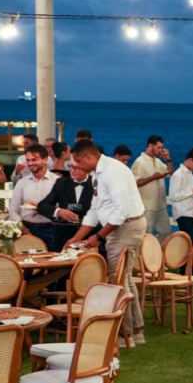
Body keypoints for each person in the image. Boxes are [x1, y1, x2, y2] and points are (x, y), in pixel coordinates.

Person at [64, 140, 147, 347]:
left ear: (89, 158)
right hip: (121, 228)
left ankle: (124, 334)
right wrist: (77, 237)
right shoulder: (98, 174)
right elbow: (95, 210)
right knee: (124, 279)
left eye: (77, 161)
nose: (76, 166)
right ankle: (134, 332)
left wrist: (98, 237)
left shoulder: (111, 172)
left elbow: (121, 211)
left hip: (125, 227)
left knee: (117, 281)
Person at [36, 161, 96, 252]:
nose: (72, 170)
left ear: (87, 168)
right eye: (70, 167)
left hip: (89, 238)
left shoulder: (96, 184)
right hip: (64, 237)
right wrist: (59, 211)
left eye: (76, 168)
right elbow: (42, 206)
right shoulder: (61, 183)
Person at [9, 144, 58, 249]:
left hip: (51, 230)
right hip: (28, 228)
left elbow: (62, 208)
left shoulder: (57, 181)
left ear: (45, 160)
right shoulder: (22, 183)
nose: (30, 163)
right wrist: (24, 230)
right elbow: (13, 210)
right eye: (28, 160)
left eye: (34, 160)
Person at [132, 135, 174, 244]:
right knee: (146, 235)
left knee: (166, 232)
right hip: (147, 207)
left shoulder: (158, 161)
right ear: (150, 146)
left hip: (161, 206)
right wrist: (152, 177)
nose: (160, 150)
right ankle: (143, 258)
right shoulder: (139, 162)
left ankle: (155, 254)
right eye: (158, 148)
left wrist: (168, 160)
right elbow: (134, 183)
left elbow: (171, 173)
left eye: (161, 148)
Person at [169, 148, 193, 244]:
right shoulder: (177, 175)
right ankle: (188, 259)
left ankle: (186, 259)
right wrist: (192, 193)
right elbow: (172, 196)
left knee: (187, 244)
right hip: (183, 213)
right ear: (190, 160)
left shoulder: (190, 175)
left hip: (191, 213)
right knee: (190, 242)